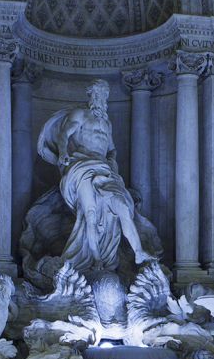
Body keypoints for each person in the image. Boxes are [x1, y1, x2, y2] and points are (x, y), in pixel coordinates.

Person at [37, 79, 154, 273]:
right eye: (98, 94)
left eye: (104, 95)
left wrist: (113, 164)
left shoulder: (107, 123)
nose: (101, 99)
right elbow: (64, 135)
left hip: (104, 170)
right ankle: (96, 259)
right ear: (90, 96)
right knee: (89, 213)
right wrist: (63, 152)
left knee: (123, 207)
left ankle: (139, 251)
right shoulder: (80, 115)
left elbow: (112, 150)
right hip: (82, 167)